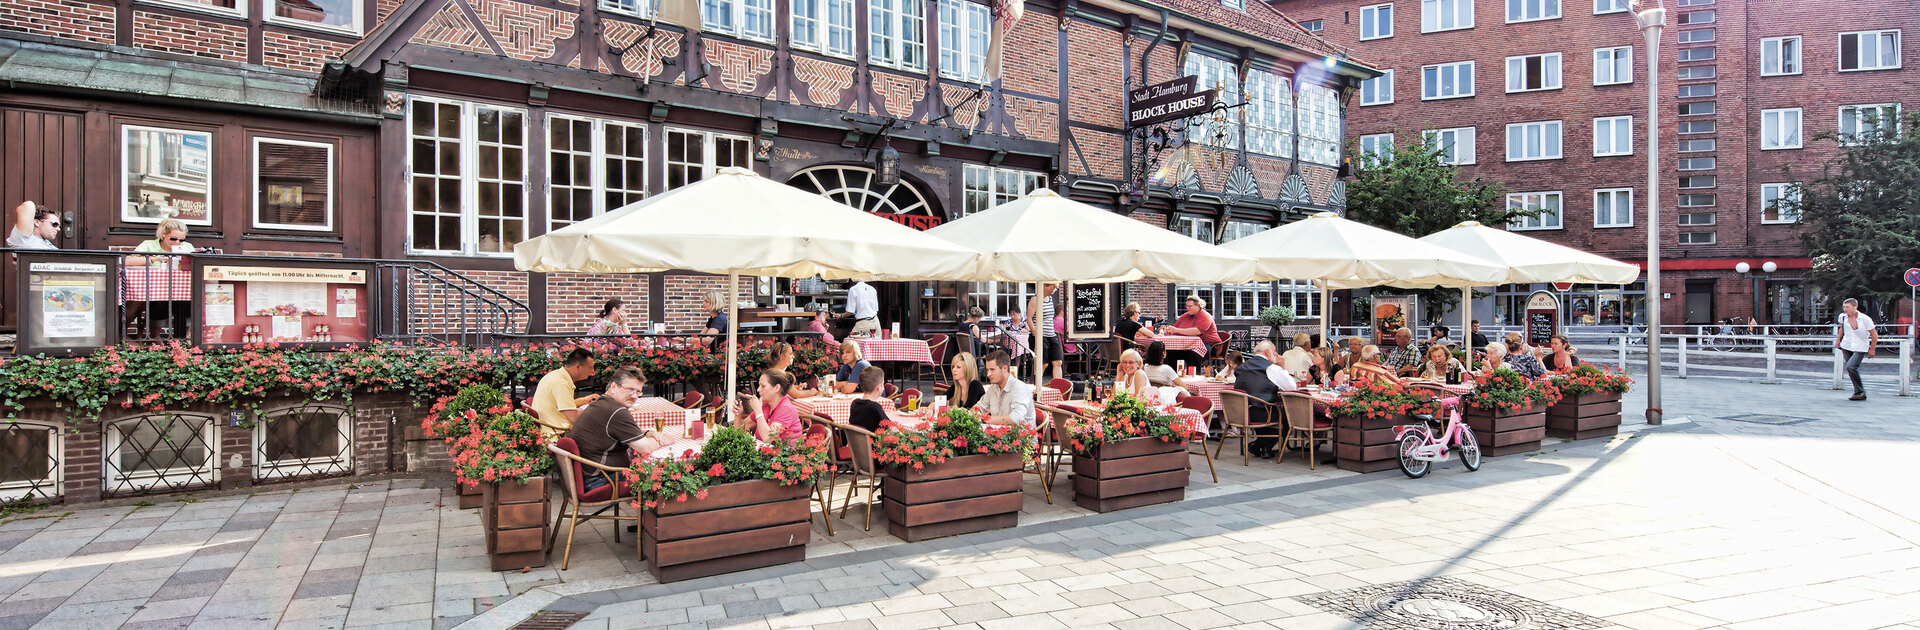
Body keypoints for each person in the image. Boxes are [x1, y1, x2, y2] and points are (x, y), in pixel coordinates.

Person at [564, 369, 648, 490]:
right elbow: (644, 448)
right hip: (600, 479)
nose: (634, 396)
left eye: (638, 392)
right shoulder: (616, 411)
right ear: (614, 387)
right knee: (656, 475)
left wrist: (647, 432)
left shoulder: (602, 403)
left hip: (585, 476)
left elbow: (623, 432)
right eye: (630, 389)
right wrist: (663, 439)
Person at [1237, 340, 1300, 459]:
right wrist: (1282, 367)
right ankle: (1261, 445)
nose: (1276, 355)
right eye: (1275, 352)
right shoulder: (1271, 368)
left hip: (1241, 412)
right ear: (1267, 352)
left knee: (1272, 411)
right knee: (1291, 415)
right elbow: (1292, 387)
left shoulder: (1241, 367)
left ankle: (1265, 447)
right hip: (1262, 412)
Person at [533, 348, 601, 439]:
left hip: (547, 429)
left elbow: (563, 406)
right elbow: (573, 418)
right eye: (590, 367)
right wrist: (593, 408)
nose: (592, 371)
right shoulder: (561, 383)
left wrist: (585, 401)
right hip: (555, 436)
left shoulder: (555, 375)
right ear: (578, 366)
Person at [734, 369, 801, 441]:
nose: (758, 389)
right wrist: (738, 414)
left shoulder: (786, 409)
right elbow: (741, 430)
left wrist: (758, 412)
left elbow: (768, 438)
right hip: (765, 450)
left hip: (789, 451)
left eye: (763, 386)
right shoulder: (765, 405)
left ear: (777, 388)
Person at [1835, 297, 1878, 401]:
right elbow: (1842, 328)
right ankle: (1858, 391)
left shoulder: (1865, 319)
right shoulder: (1843, 317)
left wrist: (1872, 349)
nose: (1845, 309)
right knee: (1851, 369)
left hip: (1860, 346)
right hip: (1847, 345)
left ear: (1855, 307)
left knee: (1851, 367)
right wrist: (1838, 340)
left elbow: (1874, 334)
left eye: (1848, 307)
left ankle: (1859, 391)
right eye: (1844, 307)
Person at [977, 350, 1034, 427]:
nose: (988, 374)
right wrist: (970, 413)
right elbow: (980, 407)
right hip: (998, 434)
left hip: (1020, 437)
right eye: (987, 370)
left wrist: (984, 419)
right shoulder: (993, 387)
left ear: (1005, 368)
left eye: (992, 370)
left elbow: (1015, 418)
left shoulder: (1019, 388)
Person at [1162, 295, 1221, 368]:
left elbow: (1196, 331)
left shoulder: (1205, 316)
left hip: (1209, 345)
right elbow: (1175, 327)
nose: (1187, 308)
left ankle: (1194, 376)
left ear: (1198, 305)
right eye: (1186, 306)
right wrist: (1169, 330)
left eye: (1190, 306)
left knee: (1194, 354)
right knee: (1171, 352)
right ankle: (1174, 376)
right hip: (1188, 344)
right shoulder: (1185, 316)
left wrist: (1176, 330)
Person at [1029, 283, 1065, 383]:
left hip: (1051, 334)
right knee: (1043, 364)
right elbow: (1029, 319)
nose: (1053, 291)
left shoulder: (1050, 299)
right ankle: (1037, 386)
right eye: (1052, 288)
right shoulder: (1035, 300)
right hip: (1041, 335)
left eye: (1055, 289)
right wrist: (1036, 333)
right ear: (1044, 286)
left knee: (1058, 362)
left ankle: (1059, 388)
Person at [847, 366, 891, 432]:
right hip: (873, 441)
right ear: (879, 387)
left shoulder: (855, 403)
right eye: (882, 384)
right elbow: (891, 428)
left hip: (857, 442)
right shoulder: (875, 407)